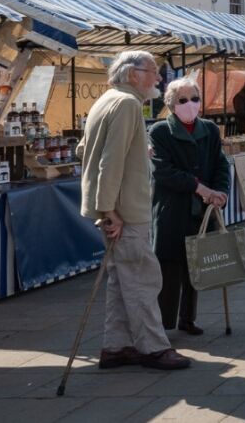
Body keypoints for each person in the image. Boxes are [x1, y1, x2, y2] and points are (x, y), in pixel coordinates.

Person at [79, 51, 190, 371]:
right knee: (141, 278)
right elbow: (109, 161)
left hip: (118, 206)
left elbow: (84, 149)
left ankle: (117, 345)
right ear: (132, 74)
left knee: (121, 278)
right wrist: (109, 209)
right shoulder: (127, 103)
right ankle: (154, 346)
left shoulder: (107, 100)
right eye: (153, 72)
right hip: (125, 209)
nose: (158, 78)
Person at [148, 78, 230, 337]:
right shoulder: (160, 131)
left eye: (194, 98)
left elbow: (220, 164)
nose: (190, 104)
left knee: (196, 265)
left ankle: (188, 318)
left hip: (201, 209)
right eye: (183, 100)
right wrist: (200, 188)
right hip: (172, 208)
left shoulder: (209, 129)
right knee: (169, 267)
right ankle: (163, 322)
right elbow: (164, 171)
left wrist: (221, 192)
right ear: (171, 105)